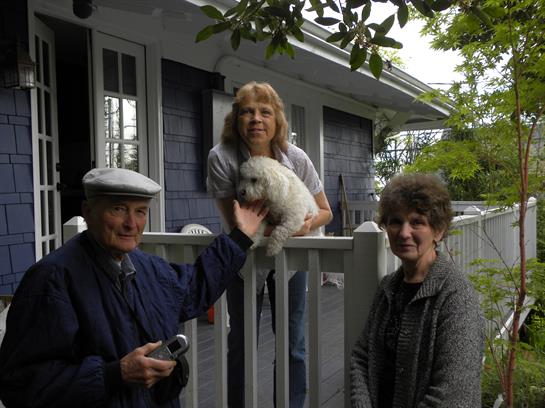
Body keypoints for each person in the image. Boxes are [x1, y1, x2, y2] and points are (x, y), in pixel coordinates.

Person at [0, 167, 268, 408]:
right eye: (118, 209)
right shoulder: (51, 280)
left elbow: (194, 287)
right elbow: (20, 386)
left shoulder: (146, 267)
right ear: (88, 211)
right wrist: (115, 374)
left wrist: (239, 238)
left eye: (140, 211)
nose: (131, 223)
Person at [207, 81, 333, 407]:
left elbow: (324, 212)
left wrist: (303, 225)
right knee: (242, 342)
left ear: (277, 120)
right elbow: (239, 224)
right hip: (244, 258)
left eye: (265, 112)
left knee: (292, 343)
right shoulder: (222, 158)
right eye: (247, 112)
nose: (256, 119)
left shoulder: (296, 158)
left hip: (291, 260)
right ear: (236, 119)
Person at [350, 173, 485, 408]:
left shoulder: (456, 297)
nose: (403, 233)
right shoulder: (388, 288)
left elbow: (454, 395)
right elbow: (362, 357)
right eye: (395, 221)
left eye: (417, 222)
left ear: (439, 231)